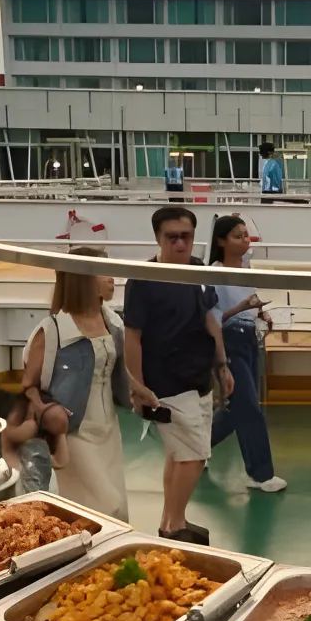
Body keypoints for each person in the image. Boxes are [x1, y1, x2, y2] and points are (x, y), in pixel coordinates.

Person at [123, 207, 233, 543]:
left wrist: (222, 364)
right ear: (158, 238)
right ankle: (172, 527)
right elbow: (132, 336)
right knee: (195, 454)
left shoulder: (198, 271)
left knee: (179, 456)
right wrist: (137, 385)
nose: (181, 243)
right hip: (166, 382)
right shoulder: (142, 280)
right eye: (173, 237)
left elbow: (209, 320)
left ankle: (173, 520)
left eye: (186, 236)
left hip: (199, 376)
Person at [23, 247, 130, 521]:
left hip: (109, 429)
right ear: (82, 278)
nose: (112, 279)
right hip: (73, 432)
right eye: (103, 272)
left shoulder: (112, 321)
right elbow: (29, 384)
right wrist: (46, 411)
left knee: (117, 507)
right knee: (103, 506)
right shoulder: (53, 329)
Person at [207, 216, 285, 492]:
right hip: (229, 340)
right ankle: (260, 474)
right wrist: (241, 307)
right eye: (237, 236)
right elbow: (214, 319)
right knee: (249, 408)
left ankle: (199, 446)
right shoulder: (214, 274)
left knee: (237, 408)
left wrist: (259, 312)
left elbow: (249, 303)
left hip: (249, 338)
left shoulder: (245, 266)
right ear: (220, 241)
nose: (245, 240)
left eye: (246, 235)